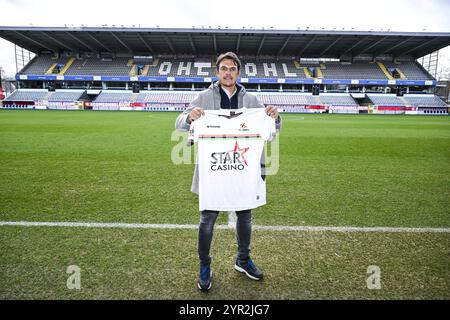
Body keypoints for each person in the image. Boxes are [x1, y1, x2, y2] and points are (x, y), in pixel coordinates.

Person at [175, 52, 281, 291]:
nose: (228, 73)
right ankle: (205, 265)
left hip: (244, 171)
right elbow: (179, 122)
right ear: (217, 72)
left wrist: (276, 116)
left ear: (238, 73)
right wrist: (190, 118)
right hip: (214, 170)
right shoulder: (203, 97)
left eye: (232, 69)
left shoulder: (252, 101)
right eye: (224, 68)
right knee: (207, 218)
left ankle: (243, 260)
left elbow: (274, 127)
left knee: (245, 217)